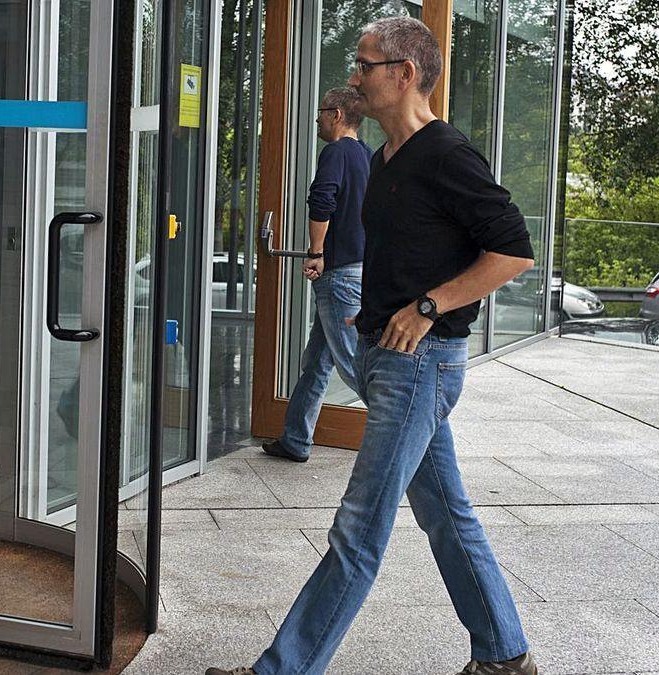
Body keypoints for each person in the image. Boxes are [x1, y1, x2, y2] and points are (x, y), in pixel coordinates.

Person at [208, 16, 539, 675]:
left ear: (404, 74)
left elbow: (514, 253)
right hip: (390, 359)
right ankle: (504, 654)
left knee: (358, 530)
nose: (354, 77)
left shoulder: (447, 154)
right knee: (447, 513)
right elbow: (406, 249)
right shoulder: (385, 157)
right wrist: (377, 305)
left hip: (420, 366)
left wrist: (429, 305)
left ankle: (283, 670)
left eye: (364, 65)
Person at [261, 87, 371, 463]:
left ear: (337, 114)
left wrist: (316, 252)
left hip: (339, 274)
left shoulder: (337, 152)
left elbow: (323, 199)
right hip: (357, 270)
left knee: (354, 362)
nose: (317, 118)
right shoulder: (368, 156)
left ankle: (408, 433)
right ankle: (295, 438)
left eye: (322, 111)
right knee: (318, 362)